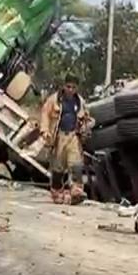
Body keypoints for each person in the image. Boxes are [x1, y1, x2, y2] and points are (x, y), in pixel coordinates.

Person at [39, 75, 90, 204]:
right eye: (68, 86)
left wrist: (86, 127)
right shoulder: (54, 100)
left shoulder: (80, 102)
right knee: (58, 167)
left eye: (73, 87)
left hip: (73, 136)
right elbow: (45, 114)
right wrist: (45, 131)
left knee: (76, 164)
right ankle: (57, 192)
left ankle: (76, 191)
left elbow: (87, 118)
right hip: (59, 137)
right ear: (64, 86)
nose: (71, 90)